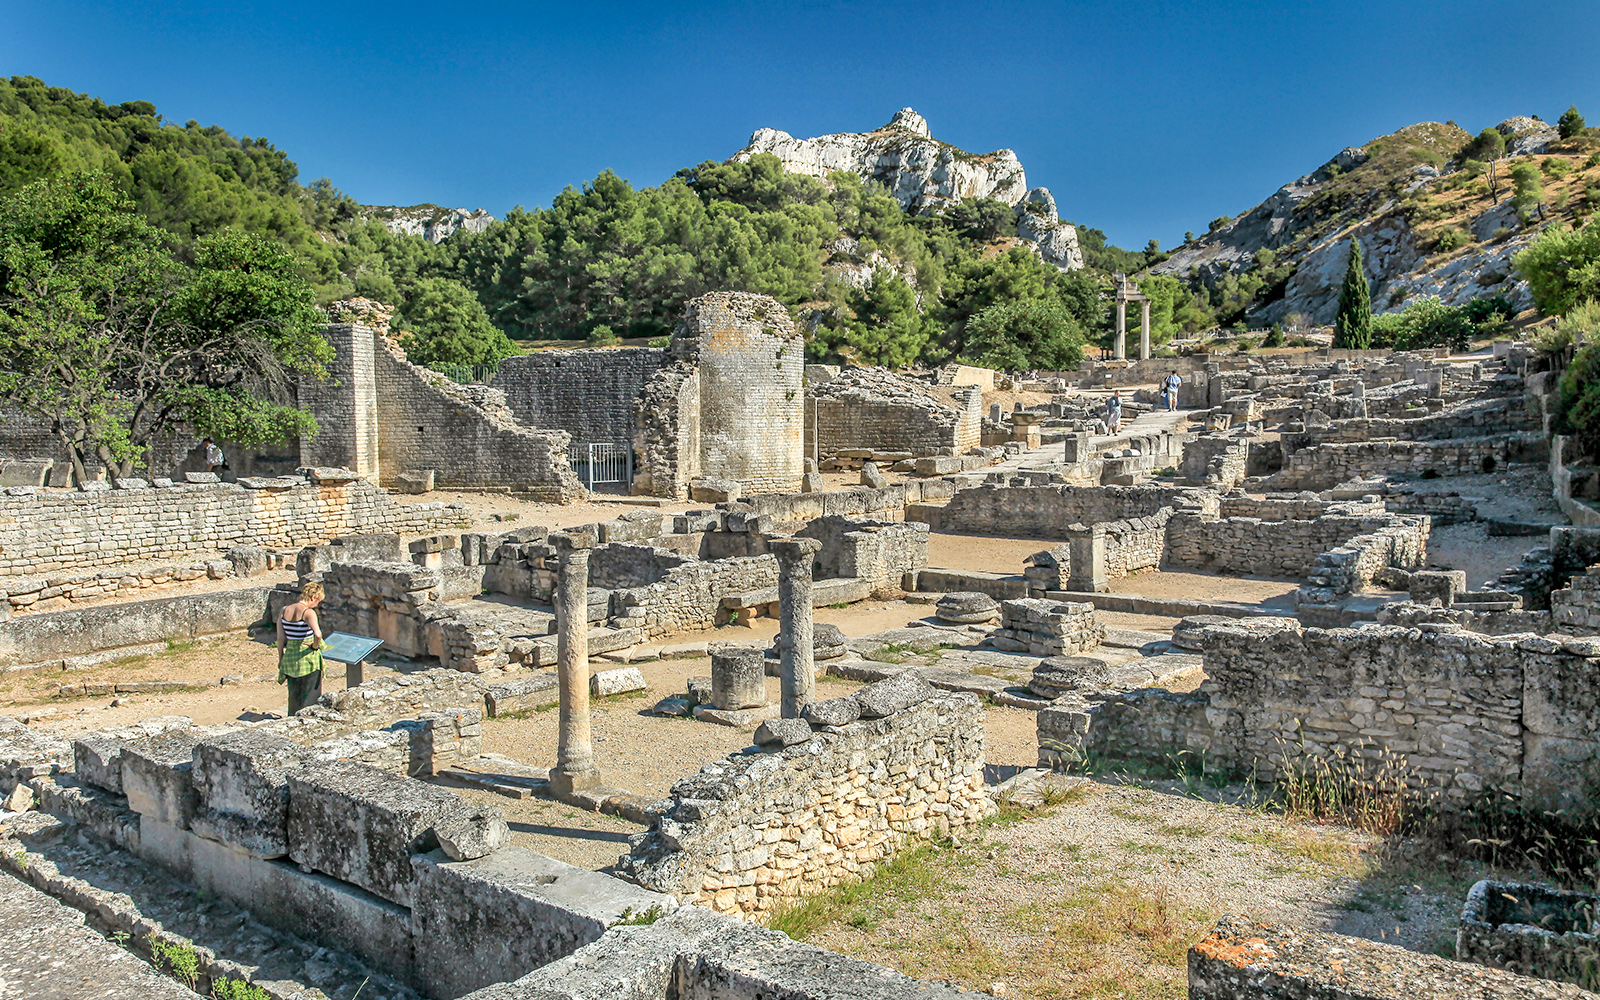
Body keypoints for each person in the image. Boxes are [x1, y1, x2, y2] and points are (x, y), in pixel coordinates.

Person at [277, 581, 326, 715]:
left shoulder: (284, 610)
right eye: (318, 601)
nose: (317, 604)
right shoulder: (308, 613)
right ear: (313, 597)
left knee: (294, 695)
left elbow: (280, 639)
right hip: (307, 659)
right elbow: (318, 634)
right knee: (310, 695)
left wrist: (281, 658)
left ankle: (292, 718)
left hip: (290, 658)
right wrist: (315, 646)